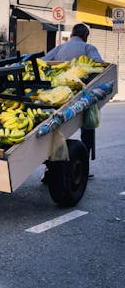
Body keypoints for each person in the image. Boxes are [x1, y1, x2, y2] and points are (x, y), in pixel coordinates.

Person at [42, 23, 103, 180]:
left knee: (55, 131)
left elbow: (43, 61)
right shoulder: (88, 48)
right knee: (87, 129)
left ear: (71, 36)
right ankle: (84, 167)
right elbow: (99, 64)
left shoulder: (60, 48)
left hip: (55, 94)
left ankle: (49, 170)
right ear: (85, 36)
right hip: (79, 95)